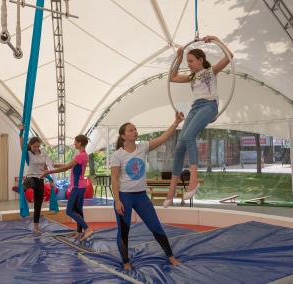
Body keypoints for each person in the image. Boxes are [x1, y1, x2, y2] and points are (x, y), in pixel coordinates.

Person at [164, 35, 234, 207]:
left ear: (201, 60)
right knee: (180, 147)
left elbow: (229, 56)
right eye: (187, 61)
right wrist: (179, 58)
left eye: (191, 61)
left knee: (188, 137)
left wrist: (217, 39)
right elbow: (172, 77)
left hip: (209, 106)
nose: (189, 64)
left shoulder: (210, 72)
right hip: (195, 108)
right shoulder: (192, 77)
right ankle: (171, 191)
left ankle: (193, 180)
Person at [111, 112, 184, 270]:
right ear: (123, 136)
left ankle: (171, 257)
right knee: (124, 230)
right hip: (124, 197)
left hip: (141, 197)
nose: (135, 131)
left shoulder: (143, 147)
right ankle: (125, 262)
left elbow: (163, 138)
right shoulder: (117, 155)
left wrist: (176, 123)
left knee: (155, 226)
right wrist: (117, 201)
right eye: (131, 130)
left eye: (135, 129)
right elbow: (114, 180)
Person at [42, 134, 93, 241]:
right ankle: (79, 232)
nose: (74, 143)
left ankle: (87, 229)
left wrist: (49, 171)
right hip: (80, 186)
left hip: (77, 187)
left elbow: (66, 168)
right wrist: (57, 165)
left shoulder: (80, 156)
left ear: (79, 143)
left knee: (69, 211)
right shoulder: (83, 155)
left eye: (75, 142)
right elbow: (69, 165)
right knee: (78, 211)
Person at [19, 125, 52, 234]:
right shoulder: (28, 152)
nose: (36, 148)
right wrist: (21, 131)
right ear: (31, 145)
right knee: (30, 181)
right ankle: (22, 187)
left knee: (38, 204)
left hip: (40, 179)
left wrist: (50, 179)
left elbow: (45, 167)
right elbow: (22, 144)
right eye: (34, 146)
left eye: (38, 146)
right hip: (31, 176)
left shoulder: (43, 152)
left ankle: (36, 227)